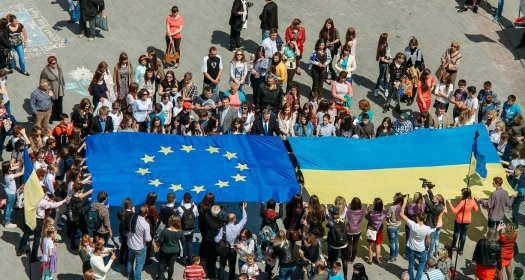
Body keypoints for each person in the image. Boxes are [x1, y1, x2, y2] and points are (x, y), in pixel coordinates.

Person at [18, 193, 70, 262]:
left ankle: (20, 250)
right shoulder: (42, 202)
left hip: (30, 217)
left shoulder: (31, 197)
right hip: (38, 220)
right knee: (37, 237)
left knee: (26, 233)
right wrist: (63, 201)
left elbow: (23, 204)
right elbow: (53, 205)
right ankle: (33, 256)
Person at [400, 195, 432, 280]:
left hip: (411, 248)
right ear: (424, 218)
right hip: (421, 249)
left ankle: (411, 279)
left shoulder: (413, 225)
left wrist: (404, 202)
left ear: (417, 218)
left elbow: (401, 214)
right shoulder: (427, 228)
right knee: (421, 265)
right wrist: (428, 247)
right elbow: (428, 239)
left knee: (411, 264)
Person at [215, 202, 248, 280]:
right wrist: (243, 208)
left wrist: (222, 240)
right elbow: (244, 218)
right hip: (233, 250)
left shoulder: (223, 228)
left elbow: (216, 239)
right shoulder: (237, 227)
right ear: (235, 219)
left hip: (223, 249)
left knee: (222, 266)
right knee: (232, 266)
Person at [447, 188, 478, 255]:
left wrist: (449, 203)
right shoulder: (472, 201)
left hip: (459, 220)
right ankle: (461, 250)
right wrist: (473, 200)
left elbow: (454, 211)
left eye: (462, 193)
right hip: (467, 220)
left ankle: (453, 247)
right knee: (463, 235)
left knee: (456, 233)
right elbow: (476, 209)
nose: (461, 194)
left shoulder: (462, 202)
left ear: (465, 194)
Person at [127, 205, 152, 280]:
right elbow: (147, 239)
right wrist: (151, 237)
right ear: (146, 213)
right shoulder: (146, 225)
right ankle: (137, 278)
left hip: (130, 243)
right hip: (139, 247)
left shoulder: (133, 217)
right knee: (139, 265)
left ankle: (130, 275)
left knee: (130, 260)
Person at [157, 215, 185, 280]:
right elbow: (183, 241)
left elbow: (160, 241)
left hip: (164, 250)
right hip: (175, 250)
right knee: (171, 265)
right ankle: (169, 278)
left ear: (170, 222)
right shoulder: (180, 231)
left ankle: (160, 278)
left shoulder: (165, 231)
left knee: (161, 264)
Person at [40, 56, 65, 121]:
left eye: (55, 62)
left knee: (59, 103)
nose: (55, 64)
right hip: (52, 91)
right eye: (53, 63)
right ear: (49, 63)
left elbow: (61, 77)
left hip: (60, 90)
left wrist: (63, 84)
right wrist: (48, 90)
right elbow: (42, 82)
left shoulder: (58, 67)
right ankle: (50, 118)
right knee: (52, 105)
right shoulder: (45, 71)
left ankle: (60, 116)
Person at [177, 192, 199, 262]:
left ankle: (183, 259)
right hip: (191, 229)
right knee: (190, 243)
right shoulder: (194, 207)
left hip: (183, 229)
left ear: (183, 199)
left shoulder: (179, 208)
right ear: (190, 199)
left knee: (183, 244)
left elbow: (178, 218)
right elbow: (196, 215)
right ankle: (190, 258)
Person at [2, 161, 24, 227]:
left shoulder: (6, 171)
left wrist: (22, 161)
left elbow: (18, 166)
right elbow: (22, 172)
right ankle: (7, 223)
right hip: (11, 193)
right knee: (9, 207)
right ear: (9, 167)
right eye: (10, 164)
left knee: (8, 206)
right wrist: (25, 165)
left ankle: (6, 219)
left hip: (8, 191)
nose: (12, 164)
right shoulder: (10, 176)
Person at [365, 197, 386, 265]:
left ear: (375, 205)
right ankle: (377, 259)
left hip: (371, 231)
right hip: (379, 230)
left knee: (371, 245)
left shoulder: (371, 213)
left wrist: (367, 208)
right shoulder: (383, 213)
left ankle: (370, 260)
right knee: (378, 245)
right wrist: (383, 207)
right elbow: (384, 211)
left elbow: (366, 215)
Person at [386, 193, 403, 262]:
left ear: (397, 199)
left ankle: (392, 257)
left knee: (392, 242)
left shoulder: (391, 207)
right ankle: (395, 254)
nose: (393, 197)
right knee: (396, 240)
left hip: (391, 226)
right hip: (398, 225)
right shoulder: (401, 206)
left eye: (394, 196)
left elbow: (387, 216)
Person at [374, 33, 391, 97]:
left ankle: (386, 89)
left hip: (386, 64)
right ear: (384, 39)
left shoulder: (386, 44)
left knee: (386, 77)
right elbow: (382, 59)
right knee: (381, 77)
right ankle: (377, 89)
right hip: (383, 65)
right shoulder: (382, 48)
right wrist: (389, 61)